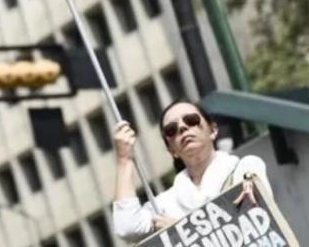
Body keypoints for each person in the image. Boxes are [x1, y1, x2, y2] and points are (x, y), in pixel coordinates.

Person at [112, 99, 273, 243]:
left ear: (213, 130)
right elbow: (127, 228)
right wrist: (124, 160)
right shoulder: (166, 203)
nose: (182, 127)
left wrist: (182, 232)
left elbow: (255, 223)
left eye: (191, 120)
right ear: (171, 150)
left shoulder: (246, 167)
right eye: (171, 129)